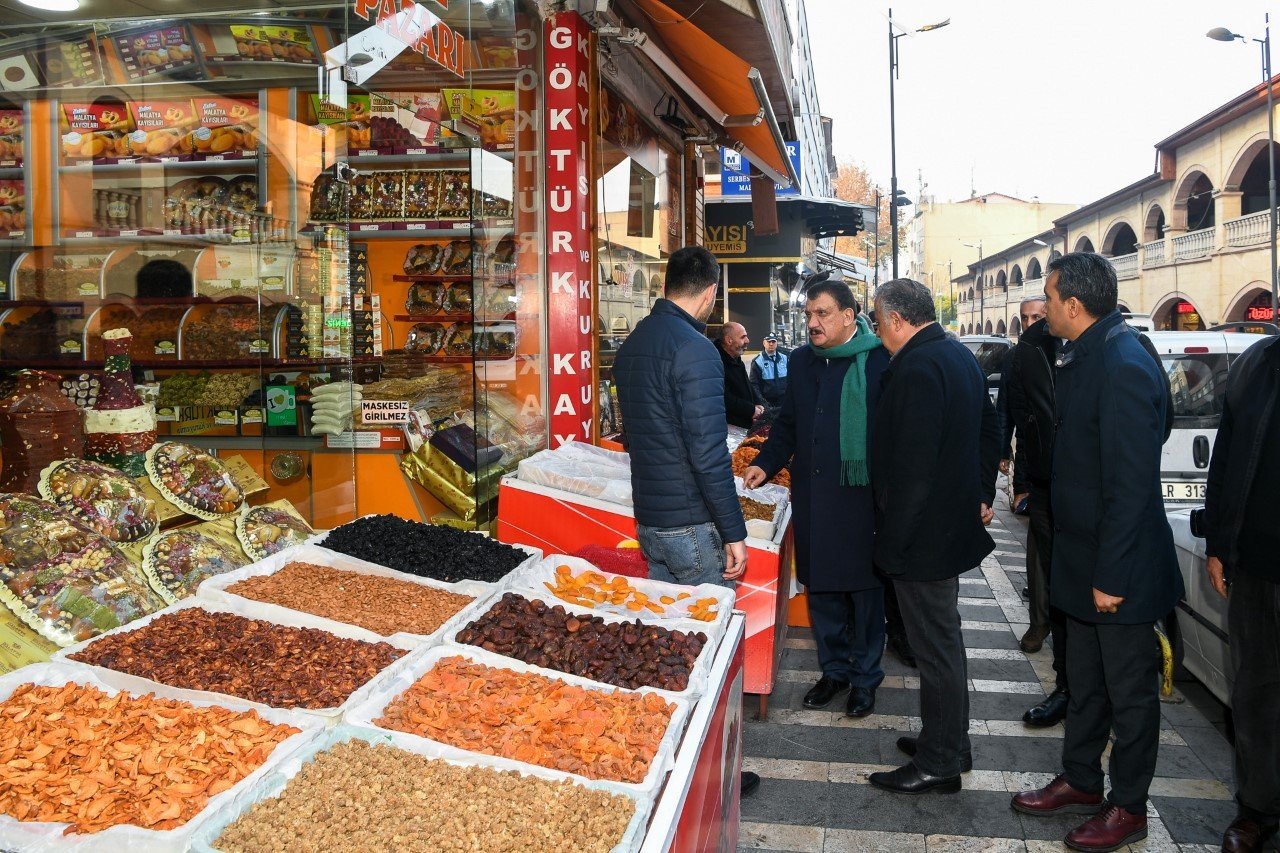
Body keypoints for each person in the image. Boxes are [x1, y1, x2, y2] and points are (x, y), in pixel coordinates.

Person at [1012, 253, 1180, 853]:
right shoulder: (1086, 352)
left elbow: (1132, 479)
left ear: (1074, 305)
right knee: (1083, 681)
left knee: (1130, 694)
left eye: (1050, 296)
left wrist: (1111, 574)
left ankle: (1128, 806)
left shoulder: (1123, 361)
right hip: (1083, 555)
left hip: (1120, 568)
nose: (1046, 305)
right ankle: (1082, 779)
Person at [612, 245, 759, 798]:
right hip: (693, 525)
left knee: (670, 643)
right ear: (709, 293)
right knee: (705, 650)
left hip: (651, 518)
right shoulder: (694, 350)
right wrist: (734, 531)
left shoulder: (633, 346)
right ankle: (709, 768)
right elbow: (707, 454)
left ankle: (666, 757)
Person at [865, 278, 1000, 796]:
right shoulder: (957, 355)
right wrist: (982, 489)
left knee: (936, 647)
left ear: (897, 320)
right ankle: (948, 741)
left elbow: (913, 471)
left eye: (878, 322)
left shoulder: (919, 366)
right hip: (946, 526)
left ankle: (940, 761)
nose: (877, 333)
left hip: (923, 536)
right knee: (944, 641)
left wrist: (891, 546)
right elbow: (991, 428)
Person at [743, 277, 889, 718]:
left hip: (863, 499)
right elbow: (787, 423)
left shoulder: (880, 361)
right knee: (822, 590)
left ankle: (865, 678)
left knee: (865, 595)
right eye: (808, 315)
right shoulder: (803, 361)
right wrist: (764, 464)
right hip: (815, 496)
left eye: (822, 314)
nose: (812, 323)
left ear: (849, 316)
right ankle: (835, 671)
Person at [1203, 334, 1280, 853]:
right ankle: (1257, 810)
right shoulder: (1257, 363)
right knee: (1255, 694)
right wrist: (1217, 542)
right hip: (1253, 565)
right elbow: (1225, 459)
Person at [1001, 297, 1072, 728]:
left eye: (1046, 304)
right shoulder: (1026, 352)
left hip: (1085, 498)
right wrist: (1017, 473)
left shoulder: (1121, 351)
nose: (1038, 316)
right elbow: (1012, 411)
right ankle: (1043, 633)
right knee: (1043, 563)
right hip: (1043, 481)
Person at [715, 322, 765, 428]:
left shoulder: (736, 358)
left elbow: (747, 384)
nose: (747, 341)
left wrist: (757, 403)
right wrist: (751, 410)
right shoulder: (715, 362)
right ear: (729, 340)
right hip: (729, 427)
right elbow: (723, 396)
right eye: (743, 337)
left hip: (745, 423)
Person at [749, 333, 789, 407]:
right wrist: (762, 403)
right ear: (764, 343)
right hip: (768, 403)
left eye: (773, 342)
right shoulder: (758, 362)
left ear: (777, 343)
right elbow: (754, 385)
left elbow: (791, 379)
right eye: (768, 341)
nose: (771, 344)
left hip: (785, 402)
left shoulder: (785, 359)